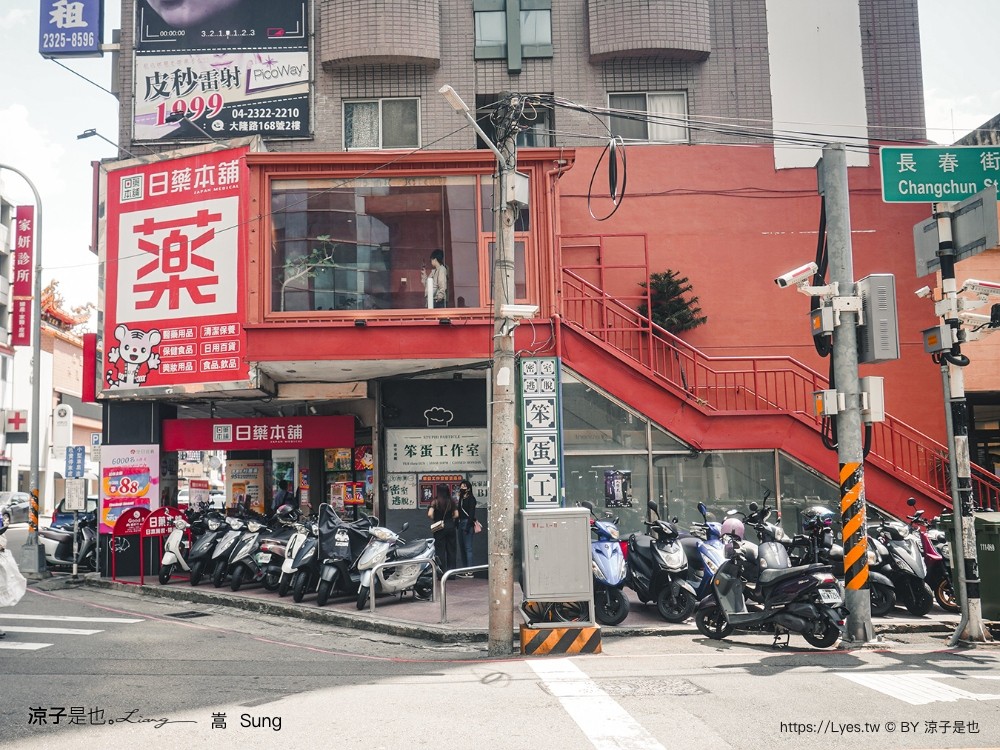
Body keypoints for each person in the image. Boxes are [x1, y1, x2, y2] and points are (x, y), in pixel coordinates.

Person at [427, 483, 458, 572]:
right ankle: (452, 573)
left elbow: (430, 514)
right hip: (450, 526)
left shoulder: (435, 501)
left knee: (440, 550)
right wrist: (449, 519)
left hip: (439, 527)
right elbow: (456, 514)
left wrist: (435, 519)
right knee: (451, 550)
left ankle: (442, 571)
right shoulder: (451, 501)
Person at [456, 480, 478, 576]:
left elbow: (471, 513)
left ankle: (470, 570)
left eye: (464, 486)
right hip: (461, 523)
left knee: (468, 547)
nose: (462, 488)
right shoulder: (461, 498)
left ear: (468, 488)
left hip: (467, 524)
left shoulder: (471, 499)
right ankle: (465, 569)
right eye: (461, 486)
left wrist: (468, 526)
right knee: (462, 547)